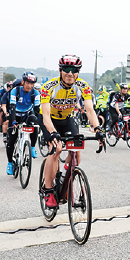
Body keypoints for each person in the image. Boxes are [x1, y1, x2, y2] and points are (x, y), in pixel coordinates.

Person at [39, 55, 104, 208]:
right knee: (57, 149)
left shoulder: (83, 86)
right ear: (60, 70)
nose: (70, 73)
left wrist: (98, 129)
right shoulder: (49, 87)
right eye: (66, 70)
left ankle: (65, 179)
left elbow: (89, 110)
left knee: (77, 149)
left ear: (78, 72)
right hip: (49, 120)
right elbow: (46, 116)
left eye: (74, 70)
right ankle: (48, 190)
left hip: (67, 120)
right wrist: (53, 133)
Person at [6, 72, 40, 174]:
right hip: (15, 114)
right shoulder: (15, 91)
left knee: (35, 124)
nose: (30, 86)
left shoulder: (35, 93)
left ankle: (32, 147)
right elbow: (12, 107)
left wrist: (40, 121)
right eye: (28, 83)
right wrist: (13, 122)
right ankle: (10, 163)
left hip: (26, 114)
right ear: (23, 82)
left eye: (32, 83)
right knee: (11, 140)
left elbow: (37, 109)